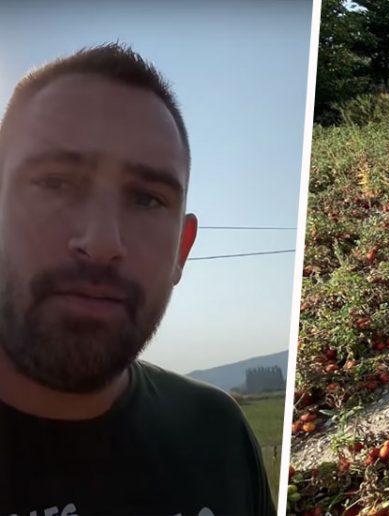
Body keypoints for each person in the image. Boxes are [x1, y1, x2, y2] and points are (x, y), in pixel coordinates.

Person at [0, 43, 276, 516]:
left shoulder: (218, 435)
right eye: (55, 183)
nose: (103, 240)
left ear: (181, 251)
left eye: (147, 199)